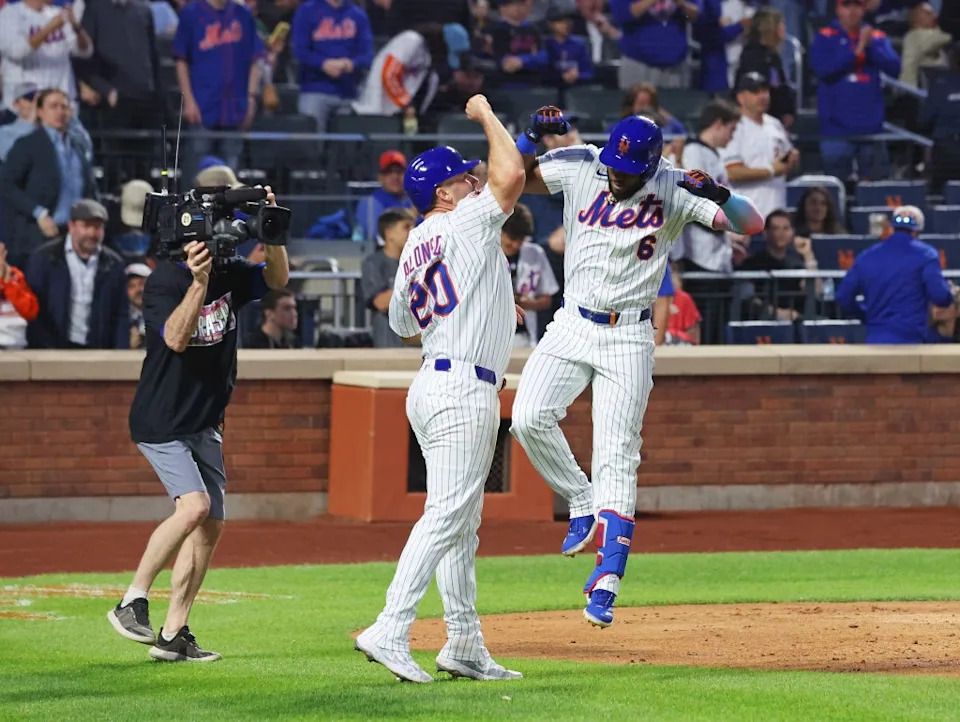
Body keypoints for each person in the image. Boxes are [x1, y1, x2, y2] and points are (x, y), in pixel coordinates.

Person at [510, 108, 764, 627]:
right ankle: (581, 500)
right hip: (572, 321)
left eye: (628, 168)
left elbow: (751, 225)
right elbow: (511, 177)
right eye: (615, 164)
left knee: (617, 454)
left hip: (628, 333)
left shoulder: (672, 184)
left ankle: (607, 580)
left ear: (651, 165)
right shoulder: (585, 164)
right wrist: (530, 135)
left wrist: (718, 193)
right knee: (527, 416)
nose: (617, 174)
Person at [355, 94, 526, 684]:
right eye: (464, 179)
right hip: (460, 390)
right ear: (443, 194)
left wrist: (488, 311)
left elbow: (402, 324)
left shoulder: (412, 248)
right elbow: (513, 173)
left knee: (461, 521)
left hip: (433, 381)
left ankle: (464, 643)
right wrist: (483, 114)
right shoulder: (464, 219)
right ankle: (390, 626)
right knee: (448, 513)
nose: (476, 183)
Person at [107, 186, 290, 662]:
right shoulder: (164, 279)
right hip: (162, 419)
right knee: (193, 508)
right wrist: (197, 284)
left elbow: (277, 278)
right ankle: (131, 601)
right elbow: (174, 339)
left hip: (205, 420)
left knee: (210, 526)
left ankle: (173, 633)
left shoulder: (229, 271)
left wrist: (271, 229)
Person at [0, 88, 99, 270]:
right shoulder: (28, 144)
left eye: (64, 106)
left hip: (73, 236)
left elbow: (89, 188)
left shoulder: (77, 146)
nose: (60, 111)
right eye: (53, 106)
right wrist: (39, 213)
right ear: (40, 112)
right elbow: (5, 184)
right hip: (37, 235)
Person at [172, 0, 266, 186]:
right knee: (195, 176)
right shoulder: (191, 14)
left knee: (230, 179)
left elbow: (256, 59)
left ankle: (226, 215)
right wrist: (188, 101)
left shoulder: (243, 14)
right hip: (202, 106)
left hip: (235, 107)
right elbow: (180, 60)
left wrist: (251, 97)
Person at [836, 205, 958, 343]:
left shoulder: (867, 256)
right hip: (912, 341)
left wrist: (867, 314)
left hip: (876, 341)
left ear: (892, 228)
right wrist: (949, 295)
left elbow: (843, 297)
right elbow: (940, 296)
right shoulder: (926, 254)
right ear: (918, 231)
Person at [809, 0, 901, 181]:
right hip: (836, 130)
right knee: (836, 190)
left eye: (857, 5)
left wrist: (871, 46)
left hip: (871, 129)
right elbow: (822, 69)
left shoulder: (876, 37)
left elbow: (895, 68)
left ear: (864, 9)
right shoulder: (825, 37)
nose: (852, 11)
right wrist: (856, 51)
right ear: (838, 9)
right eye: (846, 5)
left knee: (874, 192)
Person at [24, 199, 129, 349]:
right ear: (71, 226)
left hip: (98, 351)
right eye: (86, 226)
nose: (92, 233)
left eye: (97, 227)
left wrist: (121, 355)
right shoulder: (44, 258)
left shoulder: (113, 264)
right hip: (53, 349)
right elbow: (34, 311)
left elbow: (120, 314)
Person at [722, 71, 798, 218]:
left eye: (765, 91)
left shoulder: (775, 124)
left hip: (776, 212)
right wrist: (771, 170)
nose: (762, 96)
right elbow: (731, 172)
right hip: (745, 215)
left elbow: (786, 166)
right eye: (755, 92)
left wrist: (792, 160)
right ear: (741, 98)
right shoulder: (735, 126)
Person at [291, 0, 373, 133]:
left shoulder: (358, 15)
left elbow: (367, 56)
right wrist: (323, 64)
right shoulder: (306, 11)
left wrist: (350, 64)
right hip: (314, 91)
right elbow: (300, 52)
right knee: (311, 146)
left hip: (349, 93)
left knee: (346, 148)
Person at [0, 0, 93, 111]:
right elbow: (15, 51)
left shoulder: (58, 13)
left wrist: (76, 27)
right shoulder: (9, 13)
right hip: (26, 104)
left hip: (62, 102)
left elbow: (85, 52)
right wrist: (49, 29)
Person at [500, 202, 559, 348]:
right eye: (511, 240)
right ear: (500, 231)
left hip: (522, 336)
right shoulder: (485, 253)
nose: (515, 245)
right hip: (490, 333)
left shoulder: (534, 253)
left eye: (520, 240)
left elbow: (547, 299)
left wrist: (525, 303)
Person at [359, 208, 415, 348]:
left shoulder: (418, 261)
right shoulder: (373, 263)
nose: (413, 232)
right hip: (388, 344)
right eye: (406, 227)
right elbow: (381, 302)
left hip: (417, 345)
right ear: (389, 232)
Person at [735, 6, 796, 127]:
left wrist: (787, 111)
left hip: (773, 120)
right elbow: (754, 92)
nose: (784, 28)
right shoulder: (754, 56)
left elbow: (780, 87)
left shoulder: (773, 57)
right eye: (781, 24)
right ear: (771, 28)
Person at [0, 241, 40, 350]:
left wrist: (8, 283)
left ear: (5, 255)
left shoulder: (16, 277)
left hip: (16, 346)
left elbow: (31, 312)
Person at [0, 82, 37, 163]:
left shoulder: (52, 128)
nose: (35, 103)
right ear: (16, 104)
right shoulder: (5, 132)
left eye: (38, 99)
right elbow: (14, 160)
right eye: (30, 98)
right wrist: (30, 121)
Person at [126, 262, 151, 350]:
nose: (138, 290)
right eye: (132, 286)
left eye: (142, 284)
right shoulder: (121, 320)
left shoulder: (164, 314)